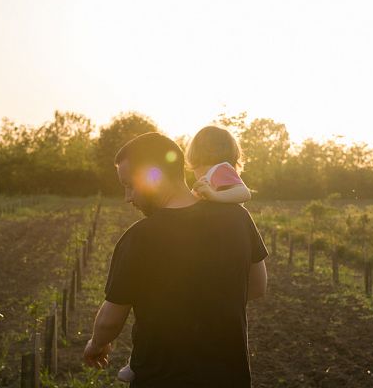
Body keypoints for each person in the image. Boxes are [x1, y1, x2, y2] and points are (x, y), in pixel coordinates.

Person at [83, 132, 268, 388]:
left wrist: (96, 344)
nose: (128, 197)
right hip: (230, 377)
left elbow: (110, 320)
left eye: (129, 185)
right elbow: (258, 286)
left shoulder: (139, 238)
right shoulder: (238, 218)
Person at [117, 125, 252, 382]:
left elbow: (243, 192)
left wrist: (212, 196)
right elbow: (257, 285)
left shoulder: (220, 171)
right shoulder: (228, 204)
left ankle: (139, 362)